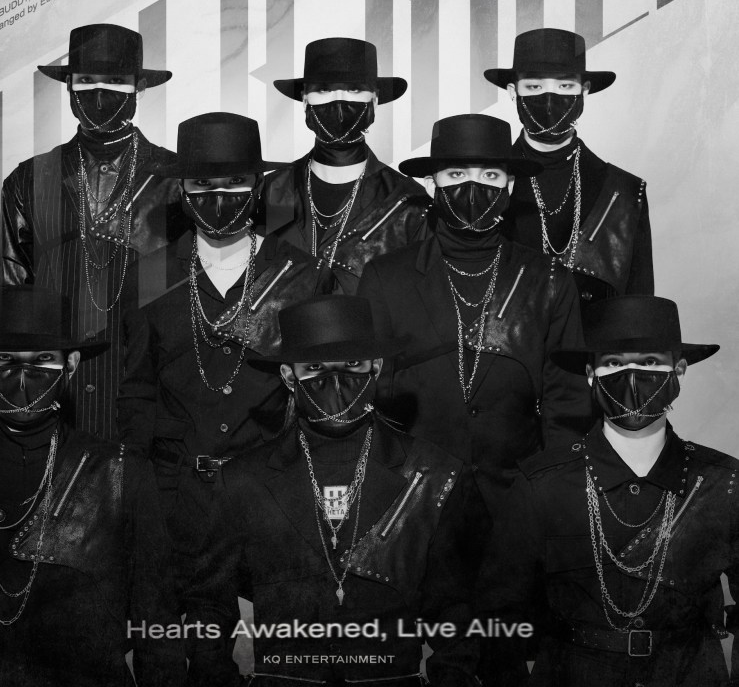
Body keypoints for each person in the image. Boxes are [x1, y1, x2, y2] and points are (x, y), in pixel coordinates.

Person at [177, 295, 482, 687]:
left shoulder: (432, 475)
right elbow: (208, 607)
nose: (336, 383)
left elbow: (455, 613)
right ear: (289, 376)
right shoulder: (243, 481)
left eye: (352, 364)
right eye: (316, 367)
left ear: (376, 366)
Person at [0, 285, 184, 687]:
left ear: (71, 363)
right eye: (5, 359)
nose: (23, 377)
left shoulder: (122, 475)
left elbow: (158, 624)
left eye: (43, 359)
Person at [475, 294, 736, 687]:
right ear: (590, 373)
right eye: (613, 363)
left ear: (679, 371)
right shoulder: (542, 484)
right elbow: (497, 612)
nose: (631, 377)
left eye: (650, 362)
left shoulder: (724, 483)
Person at [357, 114, 590, 527]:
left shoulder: (548, 278)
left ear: (510, 185)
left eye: (490, 175)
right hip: (412, 501)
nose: (473, 187)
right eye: (456, 174)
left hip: (519, 499)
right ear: (433, 183)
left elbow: (566, 400)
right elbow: (368, 393)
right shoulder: (385, 277)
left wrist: (554, 492)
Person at [118, 112, 335, 516]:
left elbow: (320, 391)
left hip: (273, 491)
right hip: (172, 493)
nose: (219, 196)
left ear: (258, 186)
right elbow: (138, 392)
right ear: (181, 189)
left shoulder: (303, 275)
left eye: (235, 182)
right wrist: (136, 485)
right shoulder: (148, 275)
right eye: (202, 184)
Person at [0, 22, 182, 440]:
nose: (99, 94)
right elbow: (11, 293)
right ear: (69, 87)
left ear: (138, 88)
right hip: (58, 397)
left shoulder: (177, 178)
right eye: (86, 80)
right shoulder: (28, 180)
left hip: (155, 390)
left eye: (115, 81)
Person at [484, 27, 653, 306]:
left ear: (584, 91)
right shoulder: (482, 187)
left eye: (564, 86)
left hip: (596, 333)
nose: (550, 100)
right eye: (535, 87)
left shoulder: (624, 191)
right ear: (514, 92)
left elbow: (638, 311)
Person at [264, 37, 430, 292]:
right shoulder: (270, 191)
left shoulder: (409, 202)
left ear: (375, 100)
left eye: (354, 90)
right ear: (305, 99)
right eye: (323, 90)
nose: (338, 102)